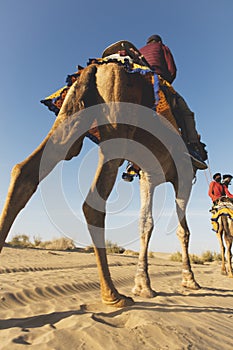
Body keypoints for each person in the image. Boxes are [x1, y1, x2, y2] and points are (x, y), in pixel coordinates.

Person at [139, 34, 207, 170]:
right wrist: (167, 83)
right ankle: (192, 148)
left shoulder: (139, 50)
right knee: (186, 113)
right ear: (158, 41)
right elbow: (172, 70)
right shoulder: (162, 47)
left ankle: (132, 162)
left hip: (140, 82)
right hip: (157, 81)